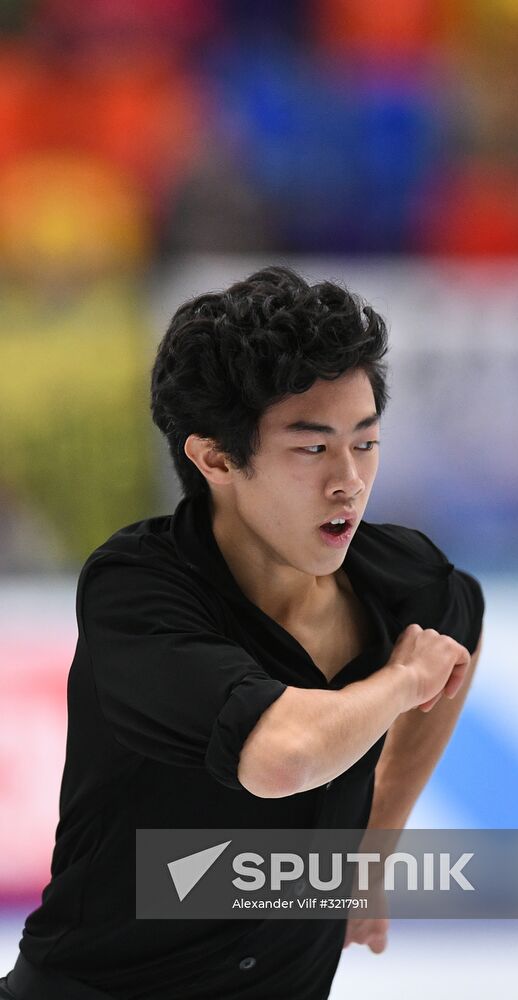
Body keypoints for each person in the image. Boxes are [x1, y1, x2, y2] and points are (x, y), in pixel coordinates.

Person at [0, 265, 484, 999]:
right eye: (313, 448)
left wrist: (373, 848)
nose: (349, 480)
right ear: (216, 458)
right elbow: (282, 757)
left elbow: (459, 633)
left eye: (366, 442)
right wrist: (400, 682)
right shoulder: (137, 593)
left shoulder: (402, 577)